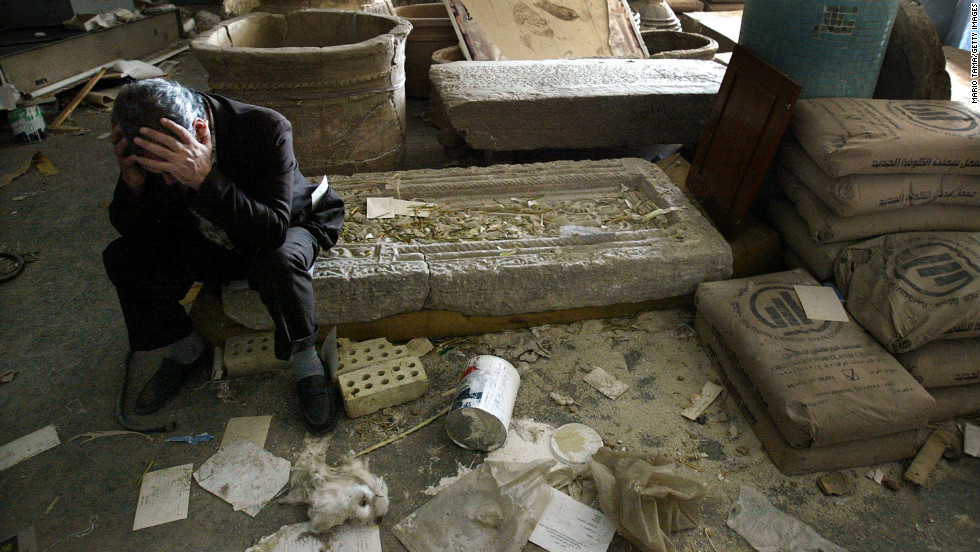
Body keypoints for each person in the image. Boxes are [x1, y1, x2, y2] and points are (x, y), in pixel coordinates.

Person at [103, 78, 345, 435]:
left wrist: (204, 178)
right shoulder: (149, 138)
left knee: (277, 260)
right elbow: (133, 232)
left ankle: (305, 359)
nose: (166, 182)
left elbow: (271, 231)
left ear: (199, 131)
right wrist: (133, 183)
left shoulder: (264, 127)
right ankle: (187, 348)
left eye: (169, 171)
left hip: (286, 223)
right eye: (158, 173)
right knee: (123, 257)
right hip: (208, 232)